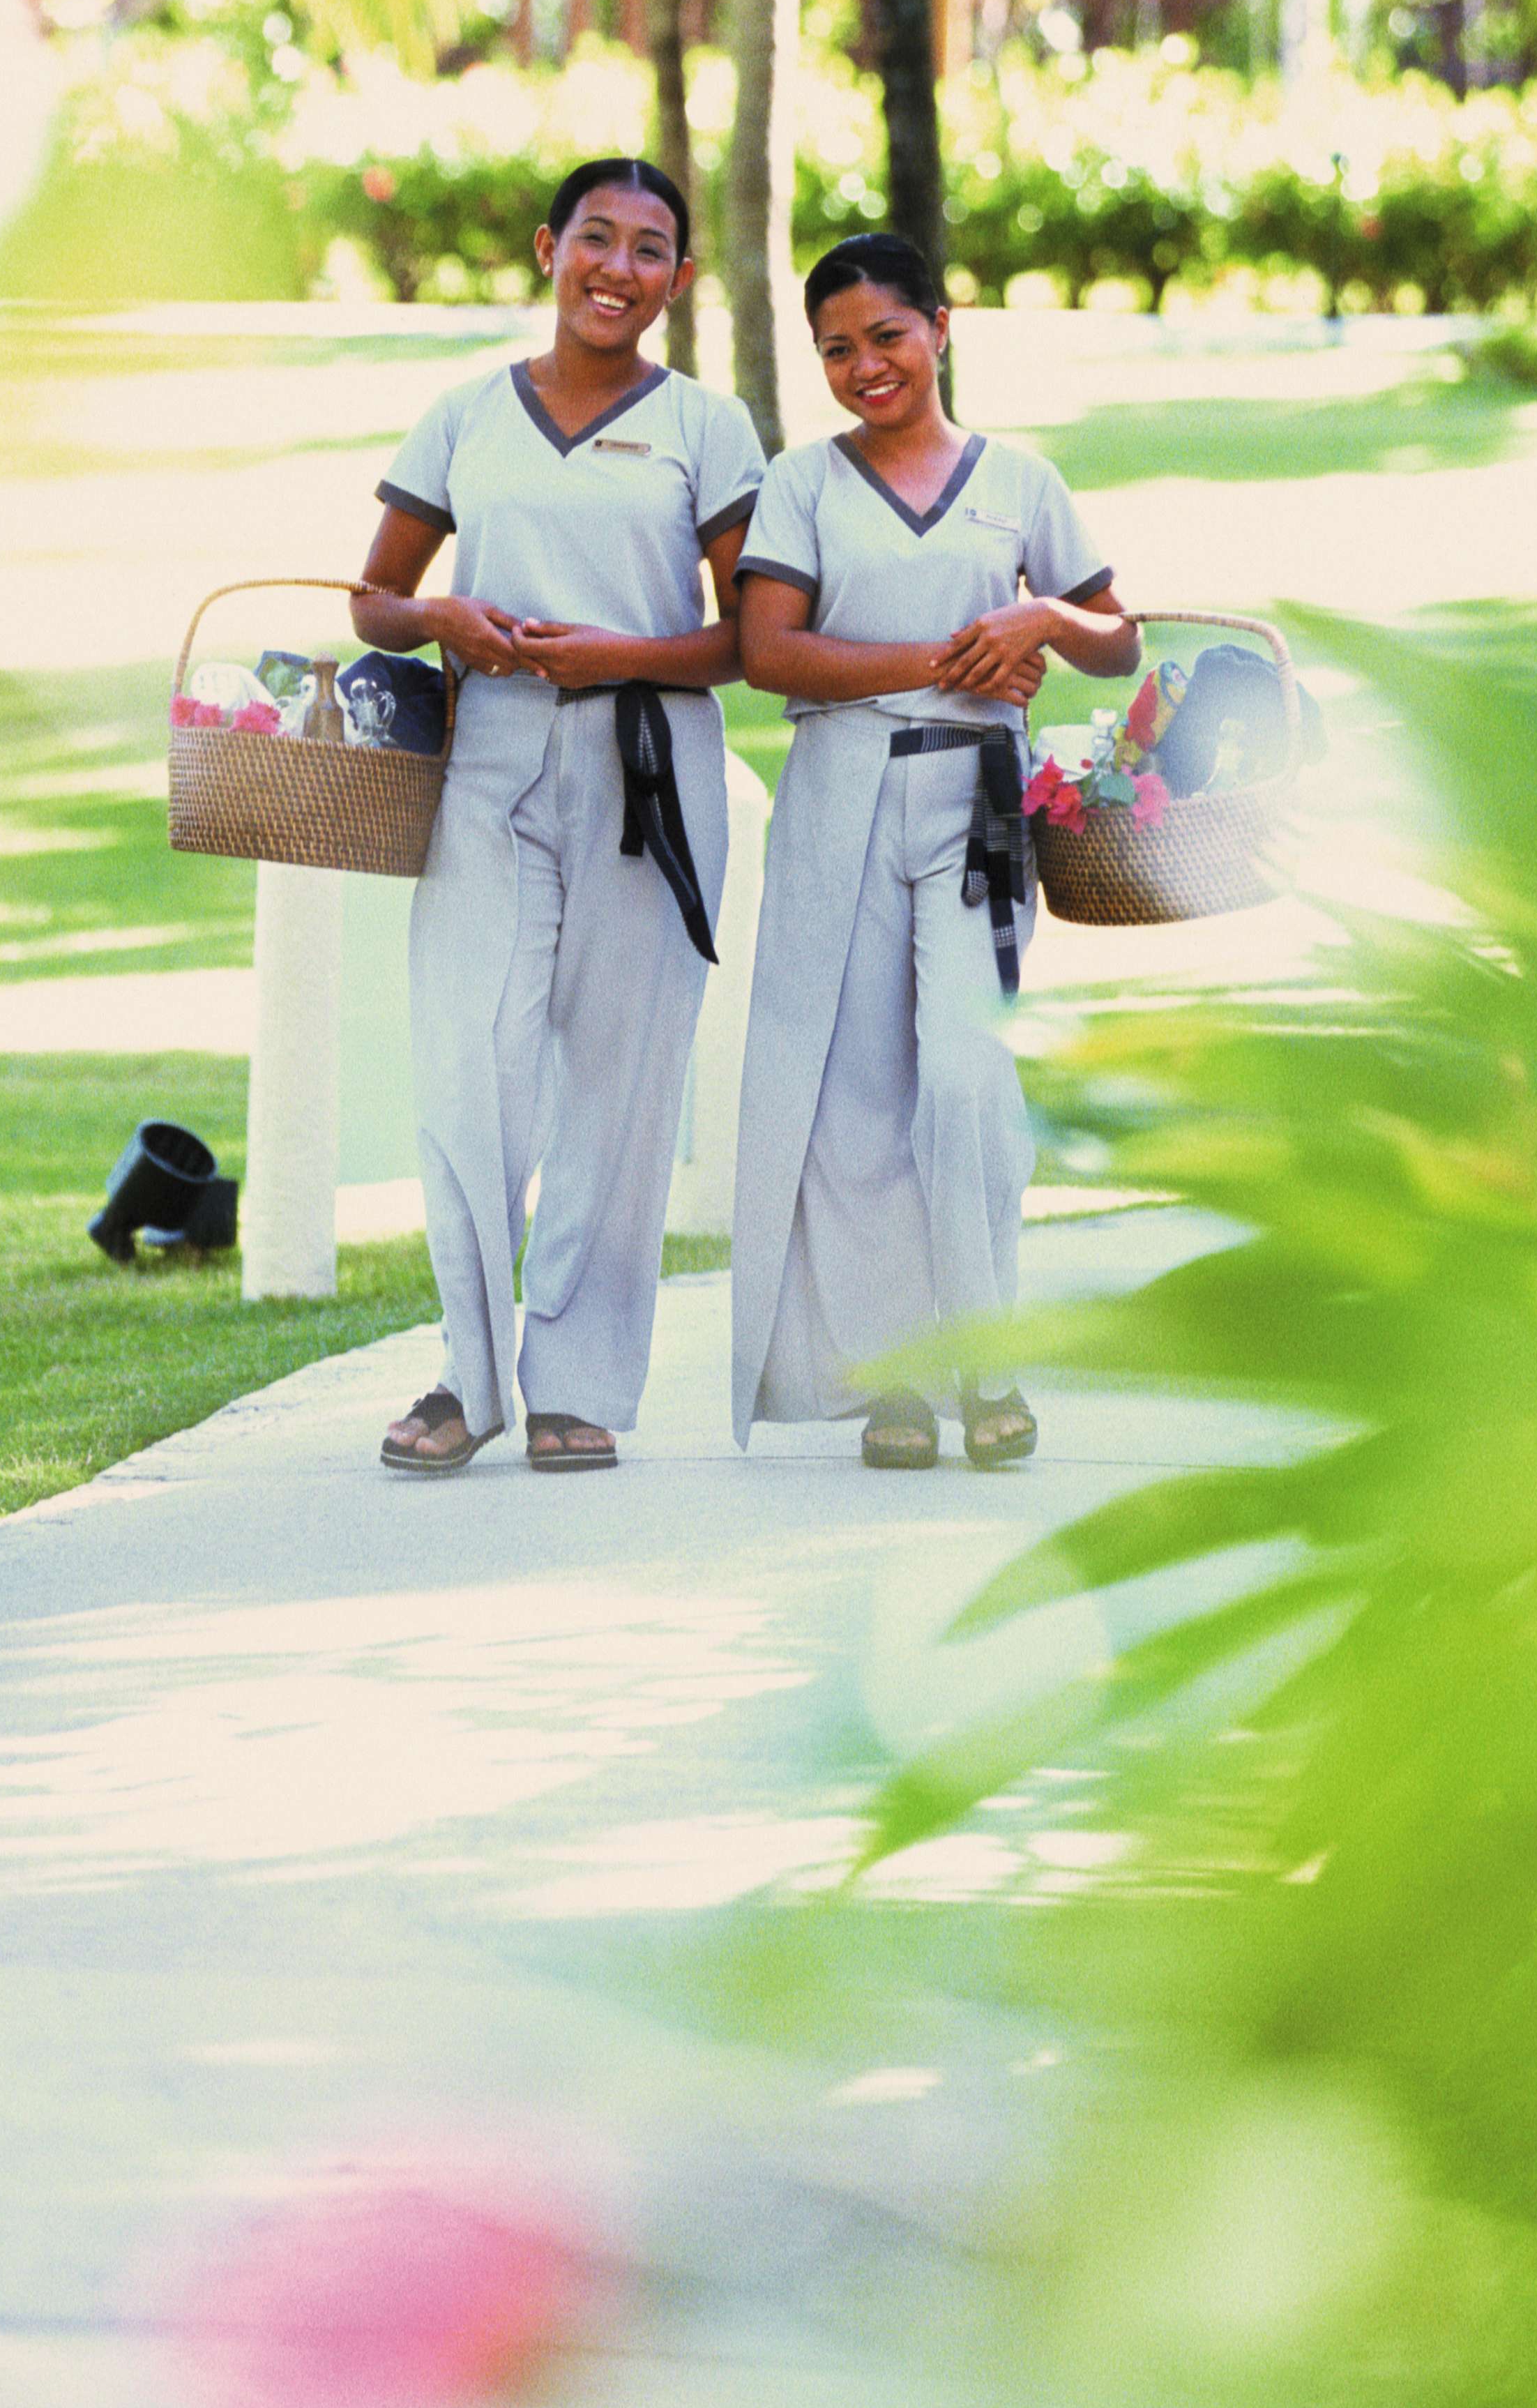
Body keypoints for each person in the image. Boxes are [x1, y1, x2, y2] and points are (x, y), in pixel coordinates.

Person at [351, 159, 765, 1474]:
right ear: (548, 248)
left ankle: (575, 1383)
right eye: (596, 238)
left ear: (679, 281)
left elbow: (750, 638)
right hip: (490, 764)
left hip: (649, 767)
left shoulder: (709, 426)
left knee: (623, 1080)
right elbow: (373, 599)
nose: (618, 269)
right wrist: (441, 619)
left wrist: (619, 656)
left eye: (651, 250)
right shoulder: (465, 414)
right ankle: (467, 1379)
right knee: (470, 1068)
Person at [729, 231, 1139, 1470]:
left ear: (941, 327)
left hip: (975, 807)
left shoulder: (1019, 480)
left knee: (964, 1084)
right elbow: (768, 653)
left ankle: (987, 1363)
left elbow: (1115, 641)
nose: (866, 367)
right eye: (836, 350)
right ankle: (890, 1385)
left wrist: (1039, 616)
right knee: (854, 1100)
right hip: (839, 794)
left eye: (886, 337)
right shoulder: (802, 484)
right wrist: (943, 660)